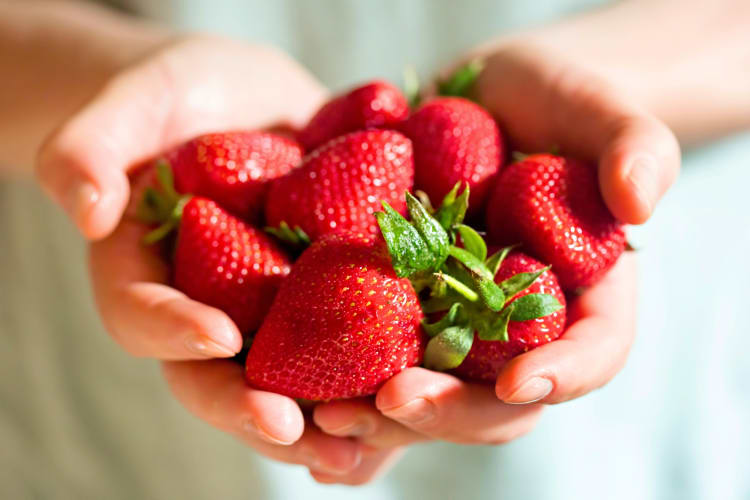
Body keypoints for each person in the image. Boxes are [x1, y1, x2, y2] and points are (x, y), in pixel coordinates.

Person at [0, 0, 748, 497]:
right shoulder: (383, 262)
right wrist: (101, 74)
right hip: (117, 433)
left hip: (648, 414)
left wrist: (612, 78)